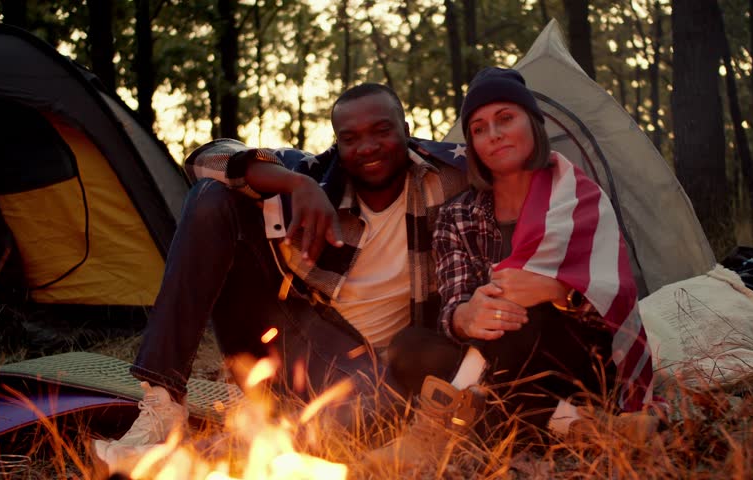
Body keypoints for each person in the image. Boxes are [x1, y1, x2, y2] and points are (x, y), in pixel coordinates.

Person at [93, 83, 471, 467]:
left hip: (373, 370)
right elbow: (202, 161)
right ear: (337, 144)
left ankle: (175, 461)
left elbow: (508, 163)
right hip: (296, 343)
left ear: (405, 128)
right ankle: (163, 400)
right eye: (350, 138)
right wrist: (295, 183)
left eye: (382, 130)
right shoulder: (316, 175)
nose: (367, 146)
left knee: (372, 416)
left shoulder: (446, 177)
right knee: (212, 195)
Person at [371, 67, 657, 466]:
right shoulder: (458, 215)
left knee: (518, 314)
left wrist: (560, 293)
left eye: (506, 118)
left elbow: (618, 300)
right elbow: (453, 304)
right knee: (410, 346)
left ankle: (433, 432)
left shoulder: (576, 196)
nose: (495, 134)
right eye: (479, 128)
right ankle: (589, 430)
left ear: (533, 124)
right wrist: (465, 317)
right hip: (499, 368)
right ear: (472, 144)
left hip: (573, 358)